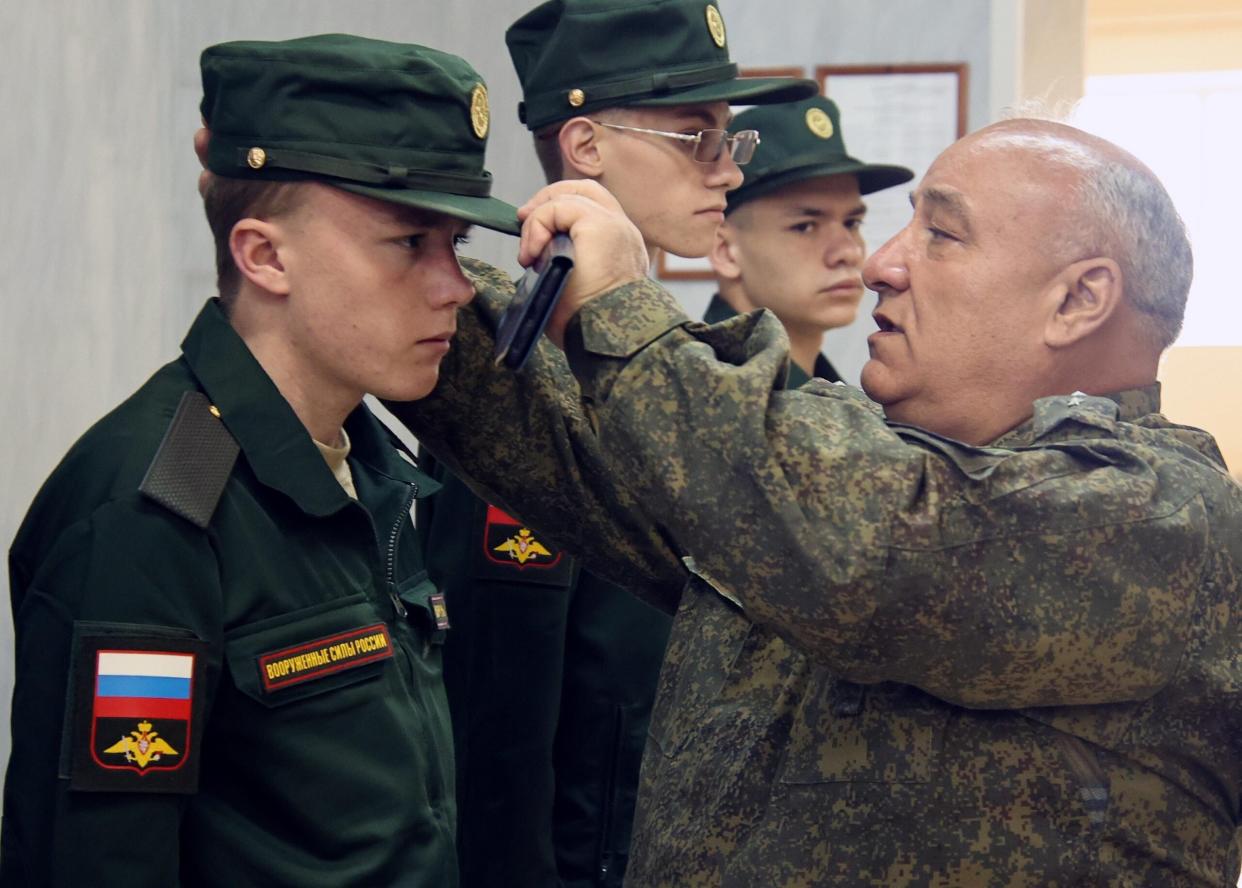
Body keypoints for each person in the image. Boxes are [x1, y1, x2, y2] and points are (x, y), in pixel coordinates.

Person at [399, 118, 1242, 885]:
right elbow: (581, 439)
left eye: (940, 235)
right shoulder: (849, 474)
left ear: (1078, 299)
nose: (882, 263)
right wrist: (402, 277)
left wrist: (626, 312)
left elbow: (870, 550)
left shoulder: (1158, 518)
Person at [1, 33, 650, 887]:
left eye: (455, 244)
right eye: (410, 243)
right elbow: (97, 859)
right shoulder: (153, 515)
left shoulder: (369, 468)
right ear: (265, 256)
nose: (457, 285)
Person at [415, 3, 816, 886]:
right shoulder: (517, 368)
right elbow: (501, 723)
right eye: (695, 138)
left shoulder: (653, 354)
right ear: (587, 147)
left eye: (729, 140)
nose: (726, 173)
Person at [707, 95, 912, 386]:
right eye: (805, 227)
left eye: (852, 223)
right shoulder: (718, 395)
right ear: (726, 251)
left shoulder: (806, 385)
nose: (849, 252)